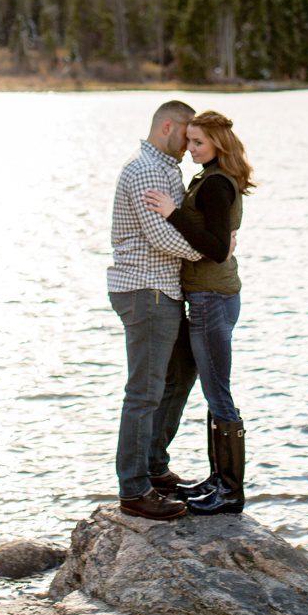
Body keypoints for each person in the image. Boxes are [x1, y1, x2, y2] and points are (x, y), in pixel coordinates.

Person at [144, 109, 252, 516]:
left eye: (198, 143)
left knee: (218, 392)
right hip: (210, 296)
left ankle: (230, 491)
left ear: (217, 145)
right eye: (188, 141)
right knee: (212, 389)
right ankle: (217, 481)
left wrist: (172, 213)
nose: (189, 149)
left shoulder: (216, 184)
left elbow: (215, 246)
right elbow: (218, 239)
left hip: (211, 299)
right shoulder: (209, 177)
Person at [107, 99, 205, 520]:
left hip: (163, 290)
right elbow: (162, 236)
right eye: (186, 137)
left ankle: (155, 468)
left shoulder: (166, 167)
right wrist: (210, 251)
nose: (189, 147)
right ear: (168, 126)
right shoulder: (145, 169)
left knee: (182, 372)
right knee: (143, 392)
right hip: (144, 290)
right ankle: (133, 490)